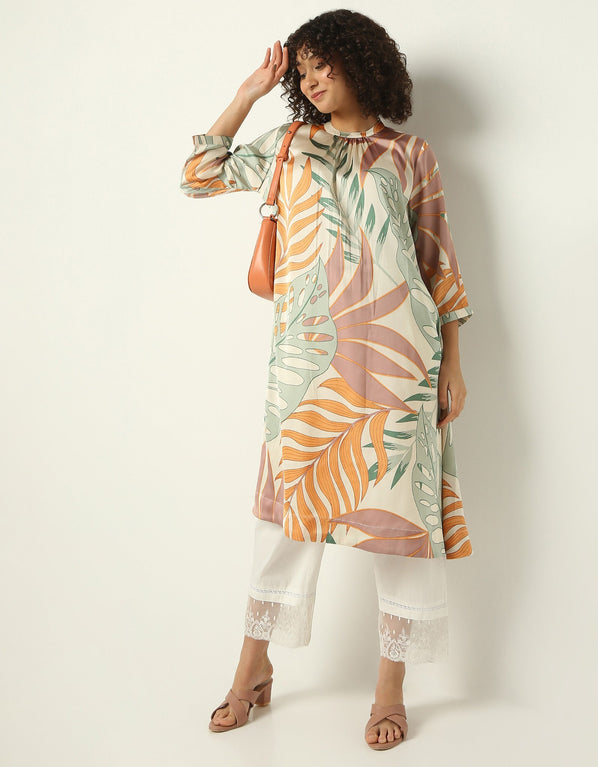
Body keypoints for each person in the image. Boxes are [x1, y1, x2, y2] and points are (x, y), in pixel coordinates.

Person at [179, 9, 475, 751]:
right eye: (301, 68)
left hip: (402, 363)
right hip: (309, 362)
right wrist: (250, 92)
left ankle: (389, 690)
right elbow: (198, 175)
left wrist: (453, 363)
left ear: (360, 62)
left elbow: (437, 262)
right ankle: (251, 669)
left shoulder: (411, 154)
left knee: (399, 528)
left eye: (322, 63)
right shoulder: (288, 143)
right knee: (284, 520)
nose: (309, 79)